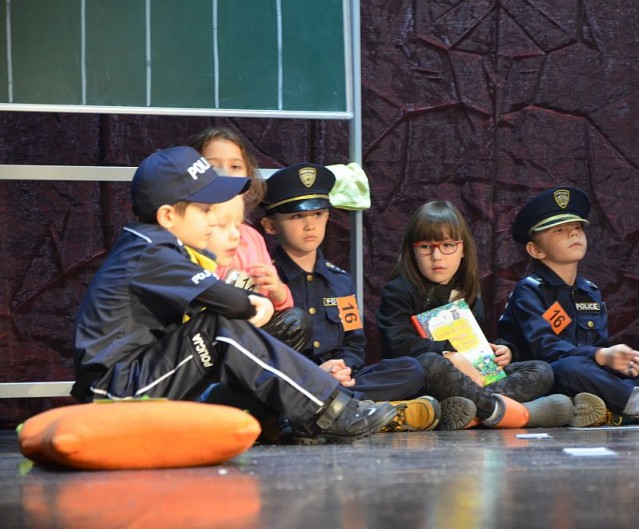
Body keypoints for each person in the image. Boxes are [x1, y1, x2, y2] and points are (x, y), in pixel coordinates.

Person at [71, 146, 397, 445]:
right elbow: (228, 301)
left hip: (143, 377)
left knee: (251, 331)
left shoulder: (153, 246)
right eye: (205, 210)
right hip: (115, 389)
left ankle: (310, 412)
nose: (213, 219)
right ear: (168, 216)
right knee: (217, 329)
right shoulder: (149, 249)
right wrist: (254, 304)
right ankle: (327, 412)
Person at [496, 186, 639, 426]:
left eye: (577, 227)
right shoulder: (529, 290)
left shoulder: (589, 291)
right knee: (568, 368)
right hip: (550, 377)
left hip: (588, 377)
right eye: (560, 230)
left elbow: (598, 346)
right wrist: (601, 356)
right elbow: (547, 349)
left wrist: (622, 361)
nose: (573, 233)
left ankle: (605, 412)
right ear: (536, 250)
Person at [260, 163, 458, 432]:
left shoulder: (340, 281)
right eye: (296, 217)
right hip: (295, 380)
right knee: (278, 394)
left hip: (342, 381)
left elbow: (354, 343)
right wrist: (317, 372)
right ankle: (366, 411)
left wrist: (343, 368)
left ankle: (341, 410)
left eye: (318, 214)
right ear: (270, 226)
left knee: (411, 369)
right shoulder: (267, 279)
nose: (309, 225)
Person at [377, 200, 585, 429]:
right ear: (412, 251)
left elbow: (476, 343)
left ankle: (469, 413)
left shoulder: (468, 289)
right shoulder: (398, 290)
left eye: (447, 245)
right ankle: (514, 413)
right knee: (429, 363)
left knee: (541, 370)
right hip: (432, 379)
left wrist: (502, 352)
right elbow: (397, 344)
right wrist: (448, 353)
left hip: (473, 378)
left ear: (463, 249)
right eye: (426, 247)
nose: (437, 256)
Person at [186, 127, 310, 350]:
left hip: (249, 333)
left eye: (235, 167)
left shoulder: (252, 238)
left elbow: (279, 307)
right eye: (213, 166)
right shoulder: (188, 230)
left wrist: (277, 290)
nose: (225, 174)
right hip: (203, 337)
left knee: (296, 321)